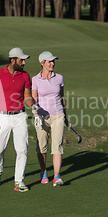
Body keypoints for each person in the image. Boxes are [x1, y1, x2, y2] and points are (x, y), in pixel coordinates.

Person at [0, 48, 38, 192]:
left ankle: (19, 181)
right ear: (13, 60)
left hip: (20, 116)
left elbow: (27, 96)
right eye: (22, 60)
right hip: (2, 116)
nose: (24, 63)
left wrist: (33, 105)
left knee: (22, 149)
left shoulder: (25, 76)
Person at [32, 51, 69, 187]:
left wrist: (66, 117)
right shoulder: (35, 79)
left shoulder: (59, 78)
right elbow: (33, 99)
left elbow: (62, 98)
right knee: (42, 146)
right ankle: (43, 171)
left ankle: (57, 176)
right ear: (42, 64)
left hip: (58, 115)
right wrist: (36, 115)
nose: (52, 63)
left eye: (53, 61)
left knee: (57, 146)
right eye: (49, 61)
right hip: (42, 116)